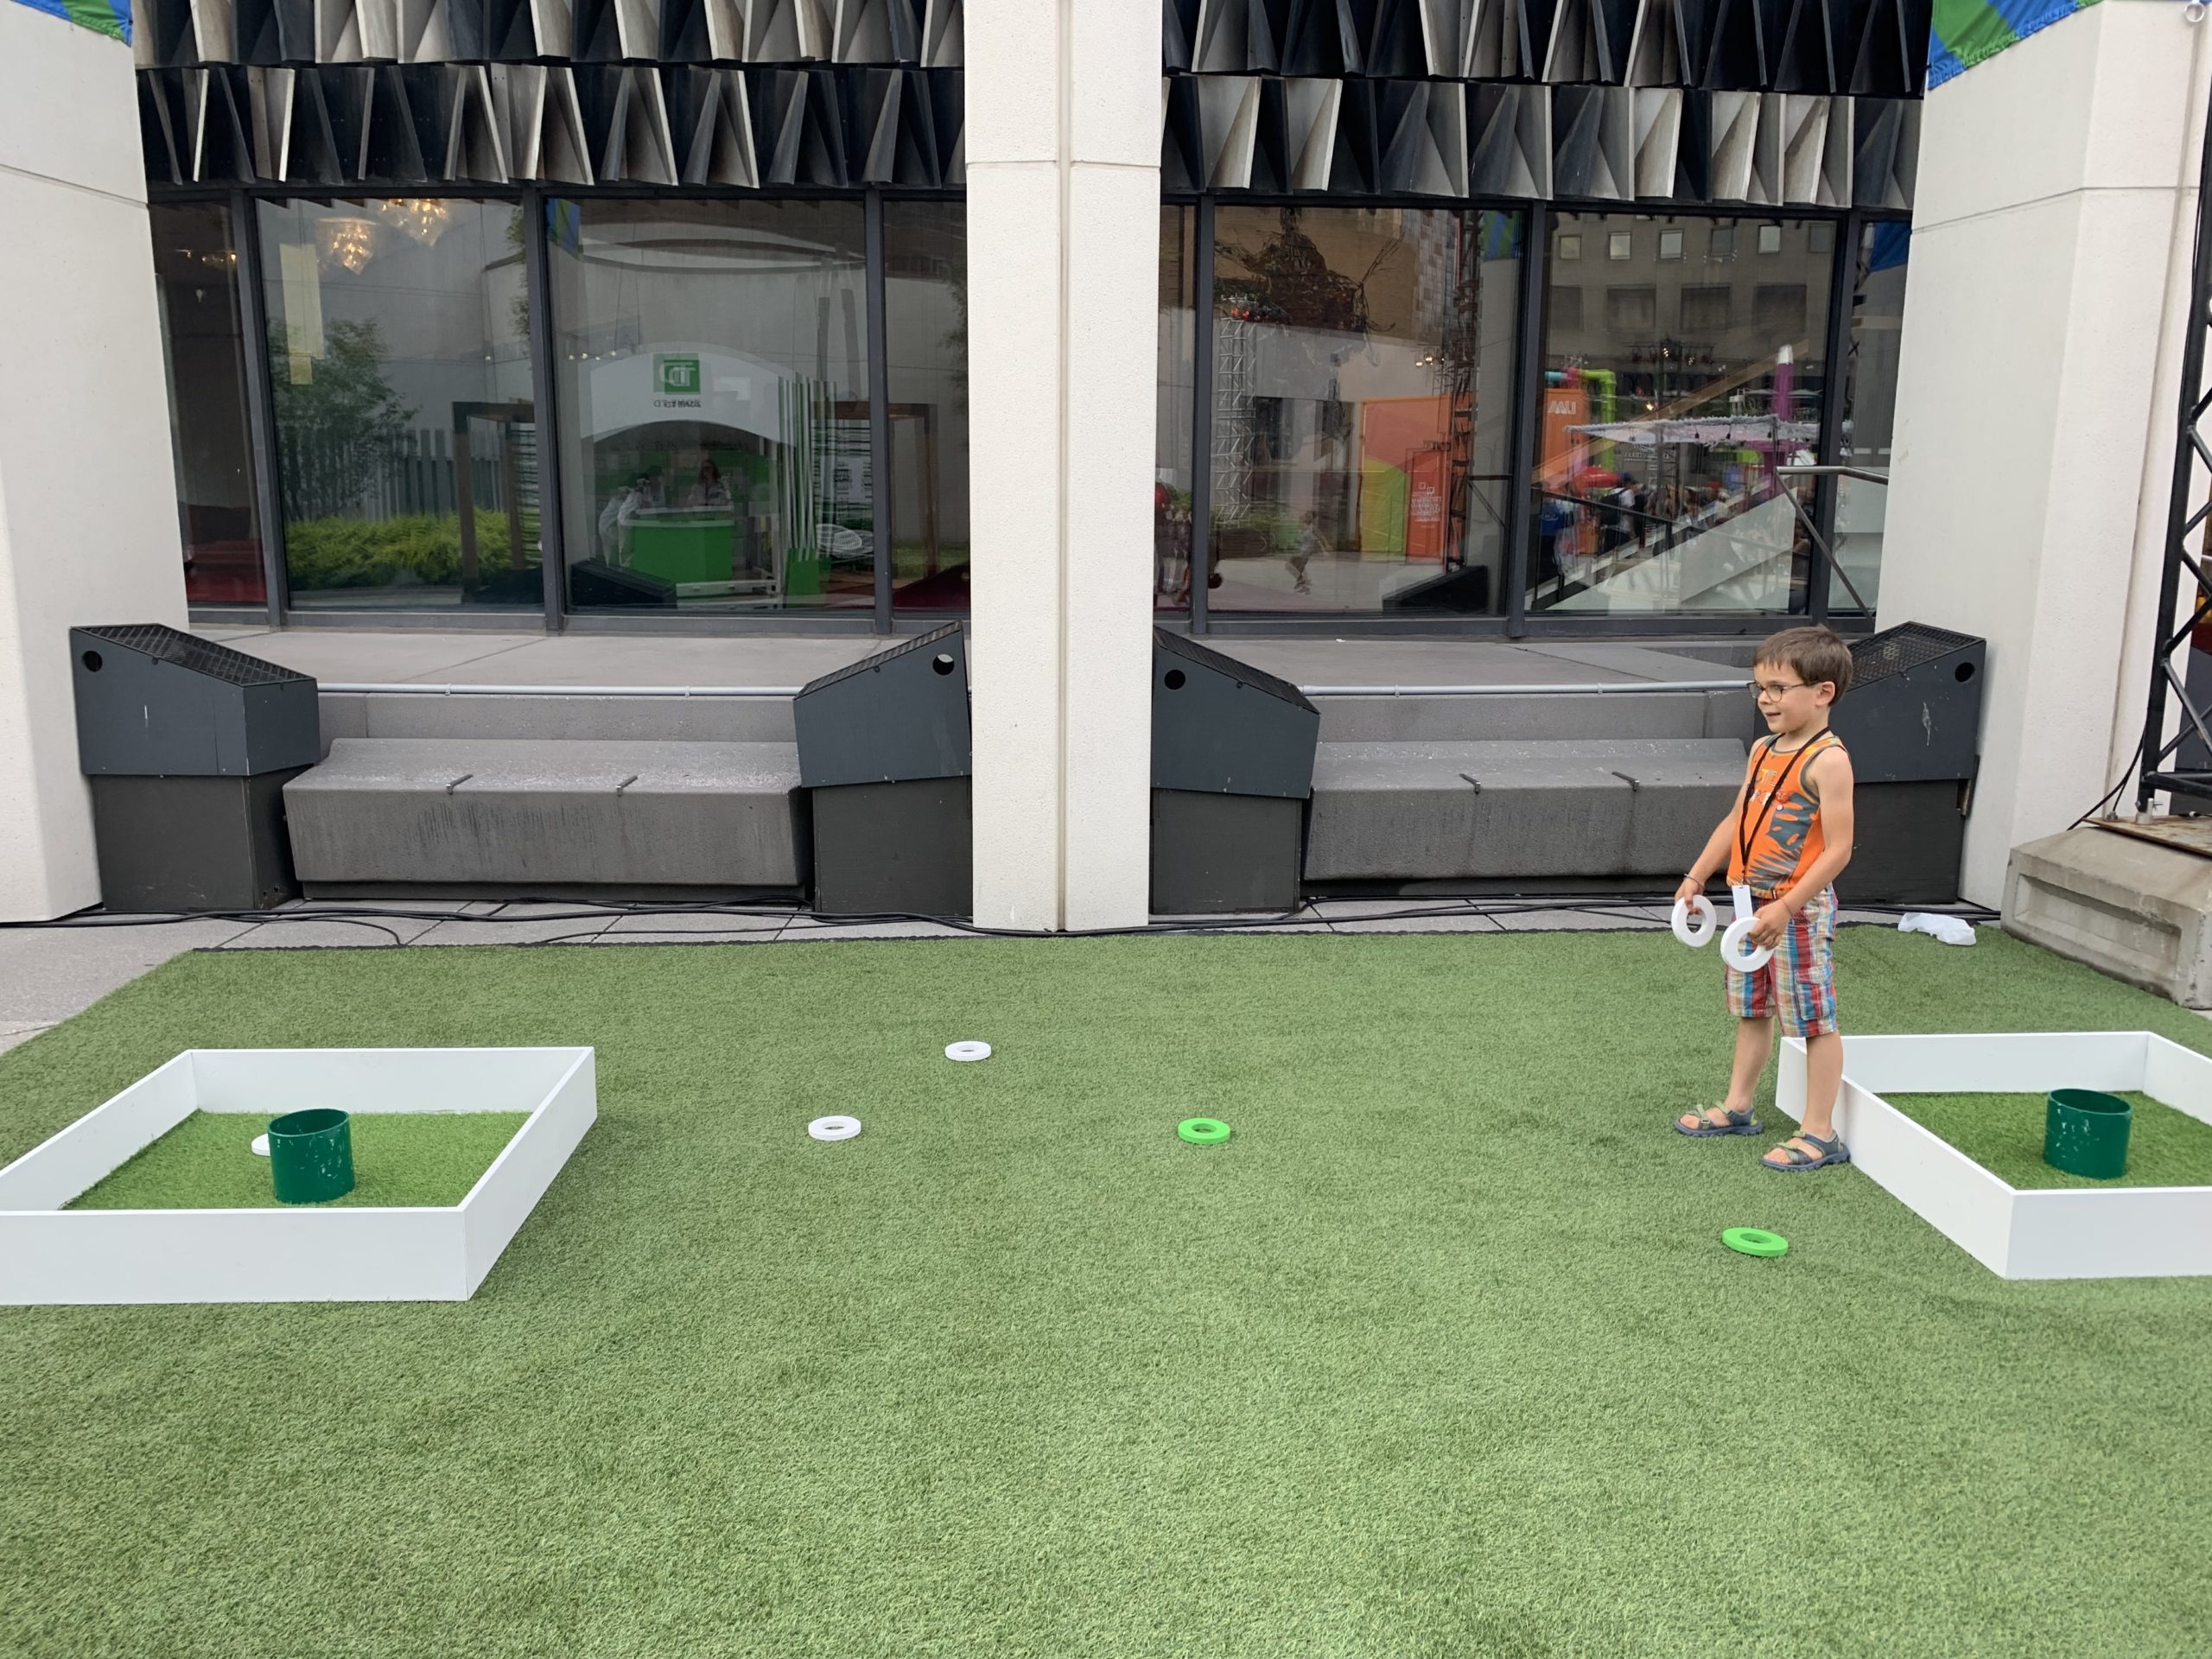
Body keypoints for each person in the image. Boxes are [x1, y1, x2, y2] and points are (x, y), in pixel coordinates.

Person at [1672, 625, 1859, 1171]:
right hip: (1749, 905)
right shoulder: (1762, 749)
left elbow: (1840, 849)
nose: (1766, 699)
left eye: (1779, 688)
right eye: (1761, 687)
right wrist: (1697, 875)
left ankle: (1820, 1131)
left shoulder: (1829, 760)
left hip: (1795, 910)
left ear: (1823, 692)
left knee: (1813, 1018)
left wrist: (1787, 906)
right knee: (1752, 1009)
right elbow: (1737, 819)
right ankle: (1738, 1106)